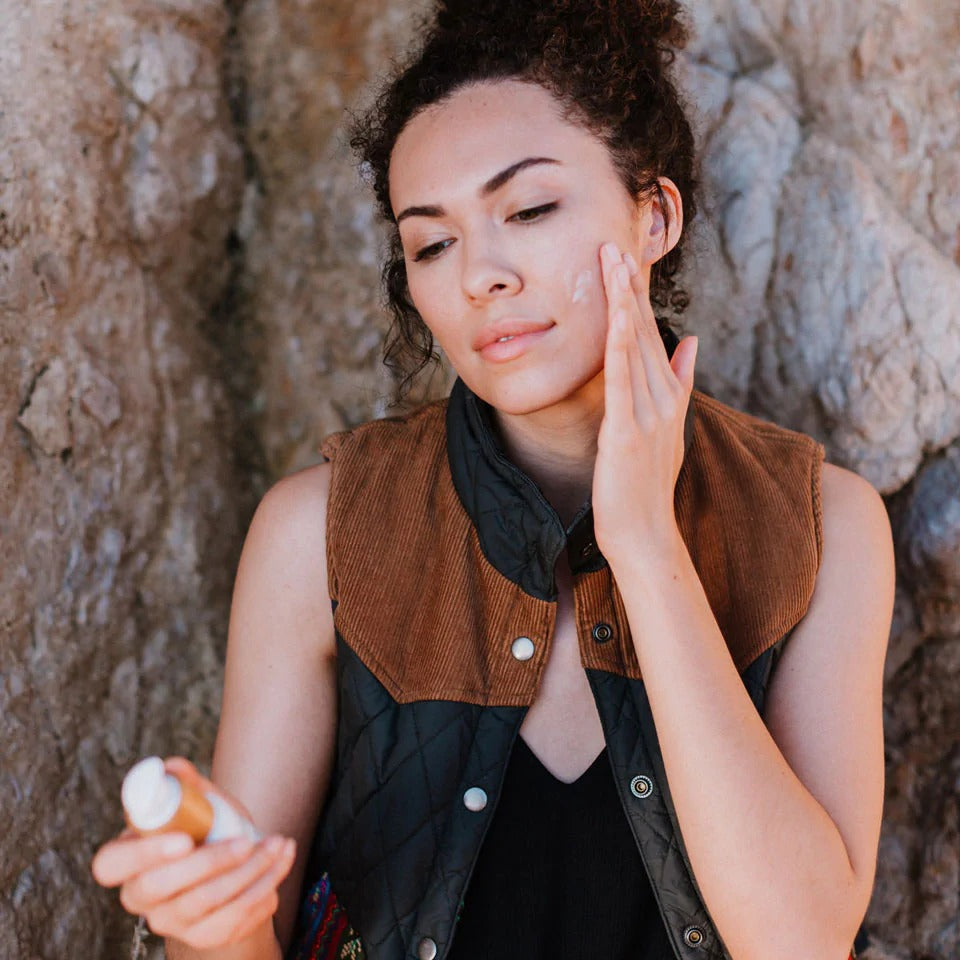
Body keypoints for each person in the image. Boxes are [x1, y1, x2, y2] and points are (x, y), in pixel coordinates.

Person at [91, 1, 896, 958]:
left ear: (654, 216)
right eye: (431, 243)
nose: (480, 276)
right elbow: (229, 947)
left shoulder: (822, 522)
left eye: (529, 210)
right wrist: (214, 930)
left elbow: (801, 943)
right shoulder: (318, 533)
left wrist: (642, 539)